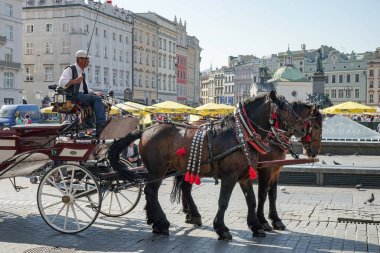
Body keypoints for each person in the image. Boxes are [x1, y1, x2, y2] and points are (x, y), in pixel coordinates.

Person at [58, 50, 106, 135]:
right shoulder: (70, 69)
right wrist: (74, 81)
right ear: (80, 60)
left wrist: (95, 93)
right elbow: (61, 83)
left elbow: (86, 88)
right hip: (73, 95)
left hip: (80, 95)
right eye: (86, 60)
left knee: (97, 99)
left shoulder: (82, 72)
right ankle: (101, 125)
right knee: (97, 100)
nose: (88, 62)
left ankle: (89, 127)